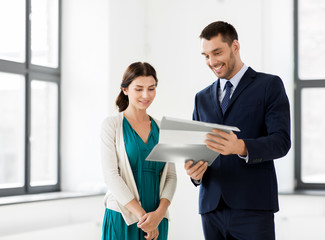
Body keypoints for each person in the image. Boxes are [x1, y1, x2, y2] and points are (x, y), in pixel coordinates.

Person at [184, 21, 291, 240]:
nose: (212, 61)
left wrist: (240, 146)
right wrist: (194, 173)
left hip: (253, 207)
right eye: (206, 56)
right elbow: (197, 149)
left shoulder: (269, 85)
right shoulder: (201, 97)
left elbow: (281, 141)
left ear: (235, 46)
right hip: (211, 207)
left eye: (217, 52)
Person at [100, 62, 177, 240]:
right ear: (125, 90)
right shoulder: (111, 125)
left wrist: (158, 215)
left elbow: (171, 177)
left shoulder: (164, 129)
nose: (146, 95)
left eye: (151, 89)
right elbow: (111, 175)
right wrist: (144, 218)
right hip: (123, 217)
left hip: (157, 219)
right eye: (139, 89)